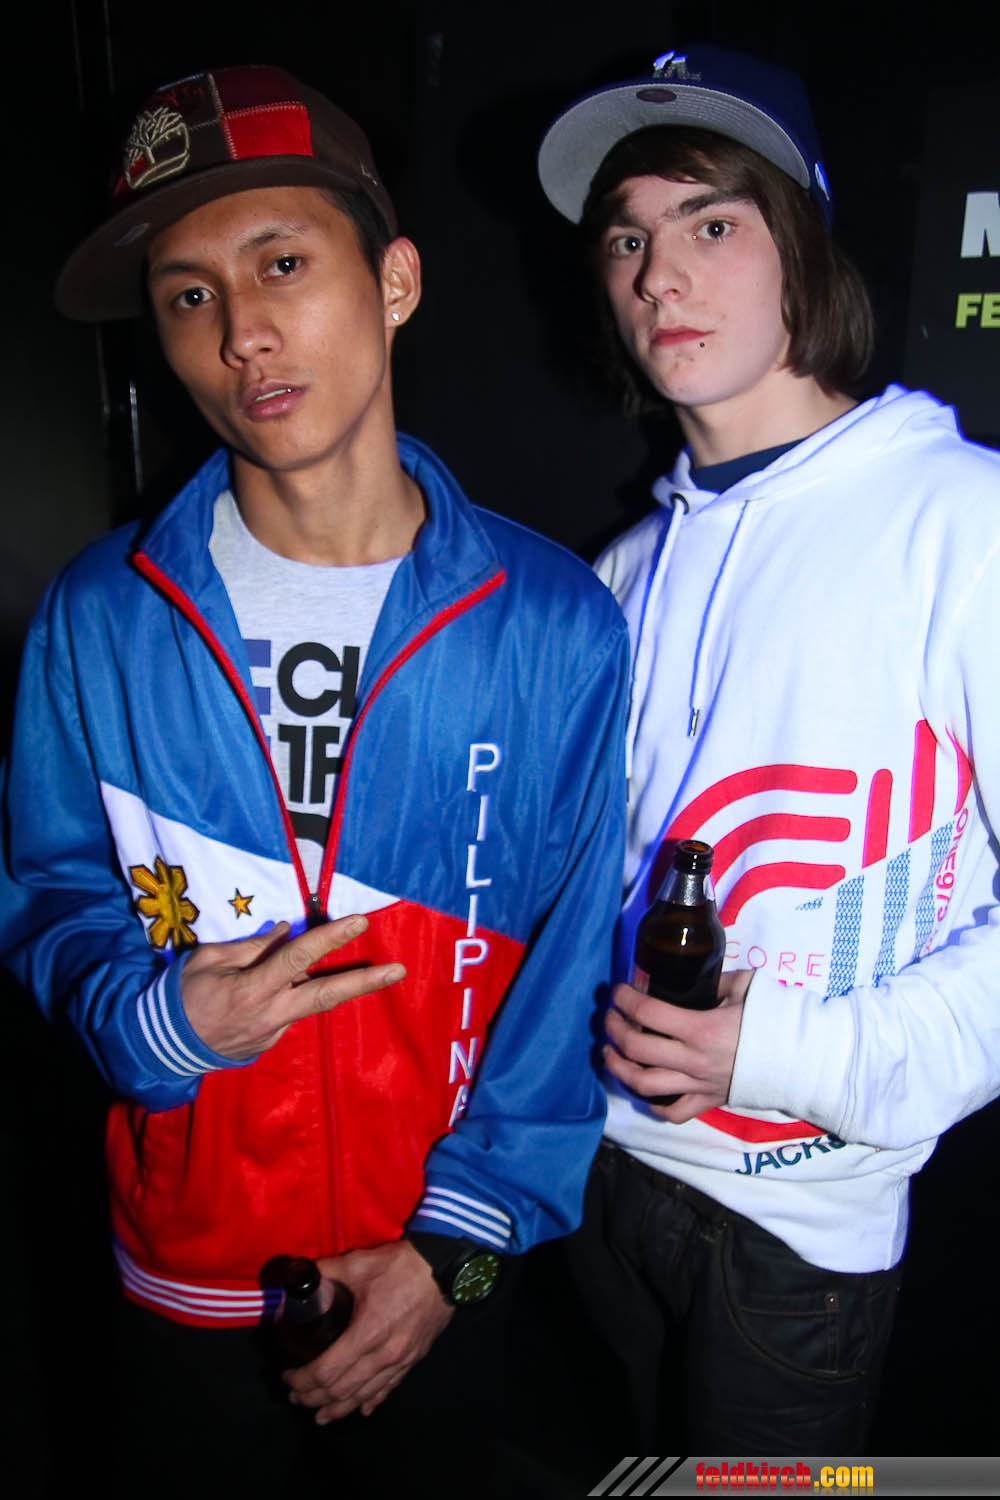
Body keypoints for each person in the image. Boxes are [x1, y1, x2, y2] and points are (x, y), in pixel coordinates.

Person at [0, 64, 628, 1492]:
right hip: (182, 1278)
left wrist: (459, 1258)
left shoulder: (553, 623)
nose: (243, 332)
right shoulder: (100, 615)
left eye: (282, 262)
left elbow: (569, 980)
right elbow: (48, 896)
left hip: (449, 1269)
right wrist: (159, 1019)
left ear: (394, 281)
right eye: (189, 294)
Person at [537, 42, 1000, 1455]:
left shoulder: (966, 521)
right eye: (628, 237)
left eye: (712, 223)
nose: (659, 276)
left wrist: (789, 1047)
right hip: (604, 1185)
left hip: (798, 1234)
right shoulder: (620, 572)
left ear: (804, 242)